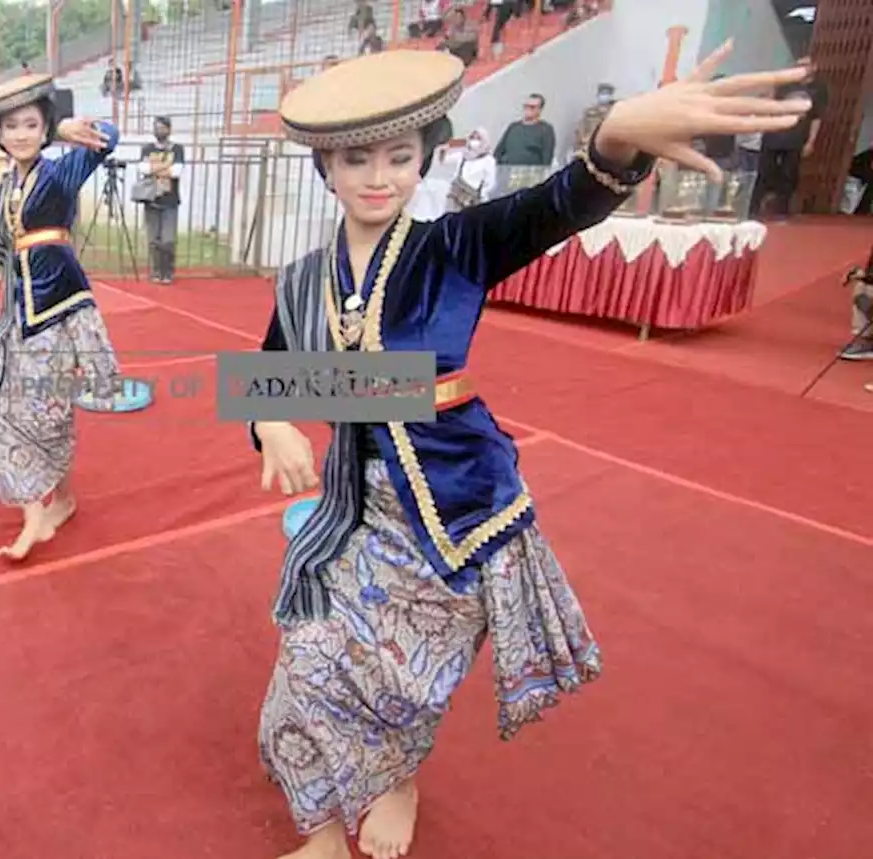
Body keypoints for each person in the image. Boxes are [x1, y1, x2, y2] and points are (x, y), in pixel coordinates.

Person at [252, 46, 810, 859]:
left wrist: (615, 137)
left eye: (400, 156)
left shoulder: (455, 246)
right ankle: (327, 831)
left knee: (407, 683)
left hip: (458, 510)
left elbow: (560, 203)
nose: (379, 176)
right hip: (351, 513)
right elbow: (275, 370)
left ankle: (397, 779)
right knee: (310, 662)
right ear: (324, 168)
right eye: (355, 158)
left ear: (426, 156)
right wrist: (272, 422)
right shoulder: (303, 279)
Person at [0, 73, 121, 562]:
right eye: (11, 126)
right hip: (14, 323)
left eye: (32, 124)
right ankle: (42, 509)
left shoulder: (61, 173)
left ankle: (54, 506)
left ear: (45, 127)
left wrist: (67, 129)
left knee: (49, 413)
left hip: (61, 312)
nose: (21, 134)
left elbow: (109, 136)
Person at [751, 56, 827, 218]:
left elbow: (816, 118)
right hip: (774, 134)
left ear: (814, 67)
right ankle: (753, 208)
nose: (801, 68)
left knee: (789, 175)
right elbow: (770, 104)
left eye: (805, 65)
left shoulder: (819, 89)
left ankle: (781, 210)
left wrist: (811, 141)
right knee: (764, 172)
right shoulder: (786, 85)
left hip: (796, 137)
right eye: (798, 65)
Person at [139, 116, 185, 284]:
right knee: (153, 239)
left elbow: (177, 172)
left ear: (169, 129)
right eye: (157, 127)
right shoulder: (147, 149)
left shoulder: (177, 149)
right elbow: (143, 169)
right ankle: (156, 271)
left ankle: (168, 272)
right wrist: (166, 167)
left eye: (163, 128)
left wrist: (154, 169)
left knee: (168, 239)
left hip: (170, 200)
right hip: (151, 199)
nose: (159, 131)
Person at [494, 93, 556, 166]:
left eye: (532, 107)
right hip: (507, 171)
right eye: (526, 106)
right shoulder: (513, 127)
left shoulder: (546, 130)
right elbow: (498, 152)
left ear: (540, 110)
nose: (528, 109)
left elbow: (547, 158)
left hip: (530, 174)